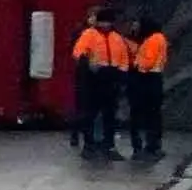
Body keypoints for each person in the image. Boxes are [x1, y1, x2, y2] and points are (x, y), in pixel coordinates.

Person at [72, 8, 130, 159]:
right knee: (91, 113)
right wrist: (87, 64)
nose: (106, 24)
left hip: (111, 77)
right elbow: (78, 52)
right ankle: (90, 145)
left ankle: (107, 145)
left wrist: (122, 74)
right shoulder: (89, 34)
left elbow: (124, 58)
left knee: (109, 114)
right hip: (93, 78)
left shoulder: (116, 38)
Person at [130, 15, 168, 159]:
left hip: (147, 78)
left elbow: (147, 62)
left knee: (146, 114)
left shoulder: (152, 40)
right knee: (155, 114)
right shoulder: (159, 38)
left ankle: (149, 147)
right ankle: (155, 145)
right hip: (155, 78)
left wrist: (136, 63)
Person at [69, 7, 99, 149]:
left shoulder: (84, 32)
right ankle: (77, 134)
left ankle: (83, 135)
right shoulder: (83, 33)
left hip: (89, 73)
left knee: (86, 106)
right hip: (84, 73)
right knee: (82, 106)